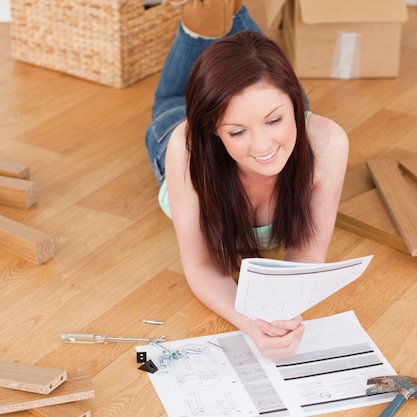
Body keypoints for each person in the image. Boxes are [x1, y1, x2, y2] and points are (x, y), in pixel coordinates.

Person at [145, 0, 349, 361]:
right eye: (238, 132)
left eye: (275, 121)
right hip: (176, 129)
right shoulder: (188, 145)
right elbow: (201, 265)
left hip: (261, 105)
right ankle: (211, 18)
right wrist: (250, 321)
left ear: (296, 104)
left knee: (256, 68)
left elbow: (308, 251)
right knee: (170, 100)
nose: (263, 146)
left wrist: (283, 310)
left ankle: (220, 10)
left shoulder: (327, 143)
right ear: (216, 132)